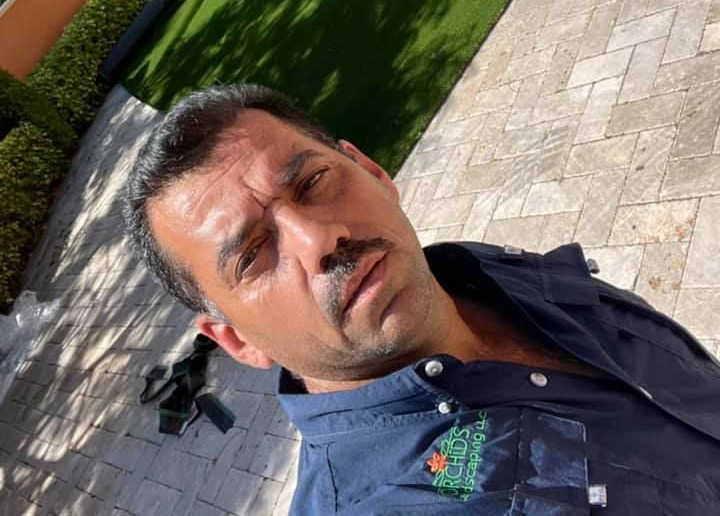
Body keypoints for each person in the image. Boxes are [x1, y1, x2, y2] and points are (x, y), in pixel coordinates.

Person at [123, 83, 720, 514]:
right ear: (236, 341)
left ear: (373, 172)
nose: (320, 238)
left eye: (312, 183)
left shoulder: (481, 272)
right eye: (253, 254)